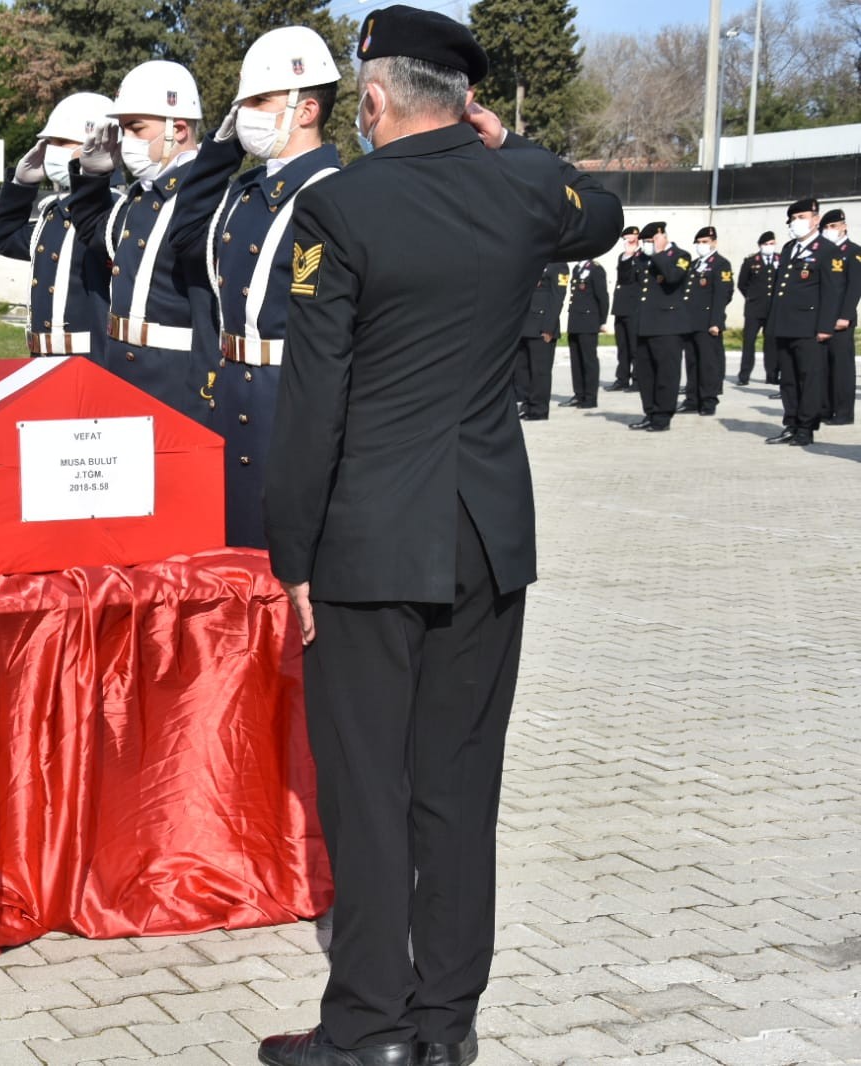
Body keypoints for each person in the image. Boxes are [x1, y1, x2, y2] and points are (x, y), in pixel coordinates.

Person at [260, 8, 622, 1065]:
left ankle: (369, 1030)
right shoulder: (521, 192)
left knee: (370, 795)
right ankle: (446, 1030)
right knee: (461, 794)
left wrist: (292, 558)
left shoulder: (343, 206)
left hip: (368, 548)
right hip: (484, 540)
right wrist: (508, 142)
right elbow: (598, 205)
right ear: (462, 98)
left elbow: (312, 405)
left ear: (371, 102)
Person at [175, 24, 343, 548]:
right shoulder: (244, 191)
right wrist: (222, 150)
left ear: (306, 110)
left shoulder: (336, 194)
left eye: (259, 101)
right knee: (230, 548)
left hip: (290, 399)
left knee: (283, 552)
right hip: (229, 390)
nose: (245, 112)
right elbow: (183, 240)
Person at [74, 60, 217, 421]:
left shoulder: (205, 201)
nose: (127, 141)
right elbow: (93, 233)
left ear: (179, 128)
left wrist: (201, 401)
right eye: (124, 129)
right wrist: (92, 176)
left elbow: (207, 311)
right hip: (121, 371)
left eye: (136, 128)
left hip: (175, 380)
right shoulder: (140, 197)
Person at [0, 93, 117, 358]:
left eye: (60, 142)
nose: (50, 150)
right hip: (44, 361)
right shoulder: (54, 213)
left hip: (92, 361)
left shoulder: (115, 211)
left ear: (97, 145)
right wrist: (21, 185)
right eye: (48, 143)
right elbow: (7, 238)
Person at [765, 198, 844, 447]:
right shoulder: (789, 248)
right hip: (785, 325)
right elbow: (780, 288)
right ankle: (791, 423)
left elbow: (833, 292)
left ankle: (806, 427)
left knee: (809, 378)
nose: (796, 222)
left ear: (815, 219)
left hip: (809, 327)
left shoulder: (827, 250)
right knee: (787, 378)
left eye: (801, 217)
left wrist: (824, 327)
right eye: (793, 218)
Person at [630, 221, 690, 433]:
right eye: (644, 242)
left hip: (668, 325)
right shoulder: (643, 258)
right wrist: (629, 257)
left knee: (666, 374)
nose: (647, 245)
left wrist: (660, 252)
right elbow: (627, 282)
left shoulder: (680, 256)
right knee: (646, 374)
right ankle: (650, 412)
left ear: (661, 237)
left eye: (650, 241)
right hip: (645, 324)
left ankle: (663, 416)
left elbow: (673, 278)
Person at [680, 226, 732, 416]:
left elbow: (722, 295)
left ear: (714, 243)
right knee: (692, 362)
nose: (702, 246)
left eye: (705, 242)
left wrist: (716, 322)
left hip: (708, 322)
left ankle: (709, 400)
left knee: (708, 364)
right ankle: (692, 399)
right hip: (691, 322)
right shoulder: (694, 265)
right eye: (699, 242)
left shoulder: (720, 264)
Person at [819, 208, 860, 425]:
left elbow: (854, 288)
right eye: (825, 227)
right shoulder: (824, 252)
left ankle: (844, 413)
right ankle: (825, 408)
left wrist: (845, 316)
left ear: (844, 226)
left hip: (841, 320)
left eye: (833, 226)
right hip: (822, 319)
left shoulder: (853, 252)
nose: (829, 231)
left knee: (841, 367)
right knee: (823, 366)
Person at [513, 262, 565, 420]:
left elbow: (557, 297)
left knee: (539, 371)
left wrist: (548, 328)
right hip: (525, 324)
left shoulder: (558, 266)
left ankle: (539, 409)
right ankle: (527, 404)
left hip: (542, 327)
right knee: (523, 370)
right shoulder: (534, 259)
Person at [561, 257, 608, 408]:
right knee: (576, 359)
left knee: (589, 360)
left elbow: (602, 296)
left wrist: (601, 321)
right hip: (575, 320)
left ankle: (590, 397)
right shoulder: (577, 269)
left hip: (589, 320)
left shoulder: (596, 269)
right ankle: (579, 394)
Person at [737, 231, 779, 385]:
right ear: (760, 245)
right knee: (749, 342)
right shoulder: (750, 261)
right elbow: (742, 283)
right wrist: (751, 296)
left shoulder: (779, 259)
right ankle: (744, 375)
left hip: (772, 309)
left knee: (771, 343)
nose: (769, 246)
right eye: (766, 244)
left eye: (772, 243)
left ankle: (772, 375)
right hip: (754, 309)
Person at [606, 226, 642, 392]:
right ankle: (622, 378)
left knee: (635, 346)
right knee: (622, 346)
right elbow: (622, 278)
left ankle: (637, 379)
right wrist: (628, 256)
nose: (627, 241)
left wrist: (632, 256)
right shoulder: (624, 256)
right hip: (621, 306)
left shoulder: (643, 256)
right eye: (625, 239)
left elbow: (632, 279)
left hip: (634, 307)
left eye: (630, 238)